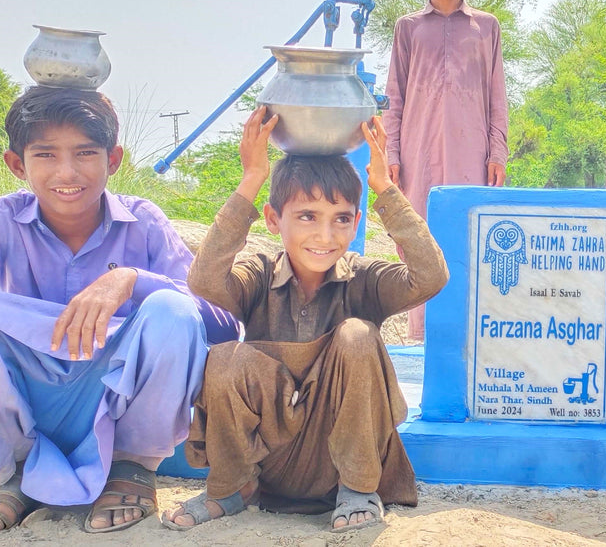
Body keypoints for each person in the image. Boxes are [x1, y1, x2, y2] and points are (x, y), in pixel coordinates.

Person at [161, 108, 448, 532]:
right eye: (307, 216)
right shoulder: (259, 274)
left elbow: (431, 276)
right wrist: (252, 177)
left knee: (356, 334)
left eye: (341, 219)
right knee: (224, 358)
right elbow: (204, 281)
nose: (324, 236)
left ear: (355, 224)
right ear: (275, 219)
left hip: (342, 463)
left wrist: (385, 188)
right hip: (271, 461)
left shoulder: (365, 278)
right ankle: (230, 489)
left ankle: (358, 490)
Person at [0, 86, 238, 533]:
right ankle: (12, 472)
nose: (66, 172)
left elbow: (224, 323)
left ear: (112, 160)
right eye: (46, 155)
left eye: (85, 153)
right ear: (18, 165)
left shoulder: (143, 221)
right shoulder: (4, 220)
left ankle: (132, 468)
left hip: (115, 398)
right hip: (27, 401)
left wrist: (130, 280)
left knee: (172, 309)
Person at [383, 0, 508, 340]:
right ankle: (420, 337)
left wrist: (498, 150)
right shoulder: (408, 28)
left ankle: (470, 336)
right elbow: (394, 97)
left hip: (472, 154)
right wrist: (392, 151)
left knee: (470, 240)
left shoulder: (486, 27)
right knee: (418, 241)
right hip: (418, 154)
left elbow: (497, 94)